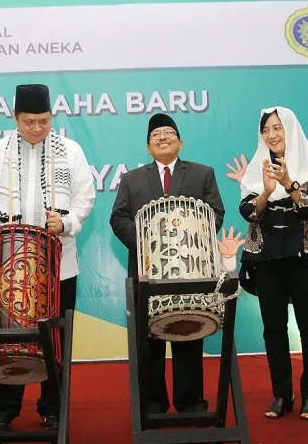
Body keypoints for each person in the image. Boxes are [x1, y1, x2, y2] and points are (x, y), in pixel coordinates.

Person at [0, 84, 96, 431]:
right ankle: (4, 409)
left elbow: (85, 197)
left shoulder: (69, 150)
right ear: (15, 118)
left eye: (43, 121)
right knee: (8, 336)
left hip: (58, 264)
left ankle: (53, 407)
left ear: (51, 117)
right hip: (8, 264)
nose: (37, 128)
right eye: (29, 121)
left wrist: (67, 221)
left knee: (53, 338)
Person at [109, 113, 224, 415]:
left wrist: (185, 241)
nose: (163, 138)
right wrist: (148, 246)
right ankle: (152, 404)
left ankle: (190, 403)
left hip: (190, 272)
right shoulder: (131, 179)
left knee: (187, 335)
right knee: (149, 343)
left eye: (169, 133)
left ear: (181, 142)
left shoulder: (203, 174)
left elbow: (216, 214)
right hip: (147, 271)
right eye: (156, 135)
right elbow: (118, 218)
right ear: (147, 147)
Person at [238, 106, 308, 421]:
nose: (272, 134)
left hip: (306, 255)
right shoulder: (257, 169)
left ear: (291, 130)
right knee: (273, 328)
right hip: (267, 257)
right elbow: (249, 212)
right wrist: (267, 192)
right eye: (266, 129)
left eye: (278, 127)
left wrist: (291, 184)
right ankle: (282, 394)